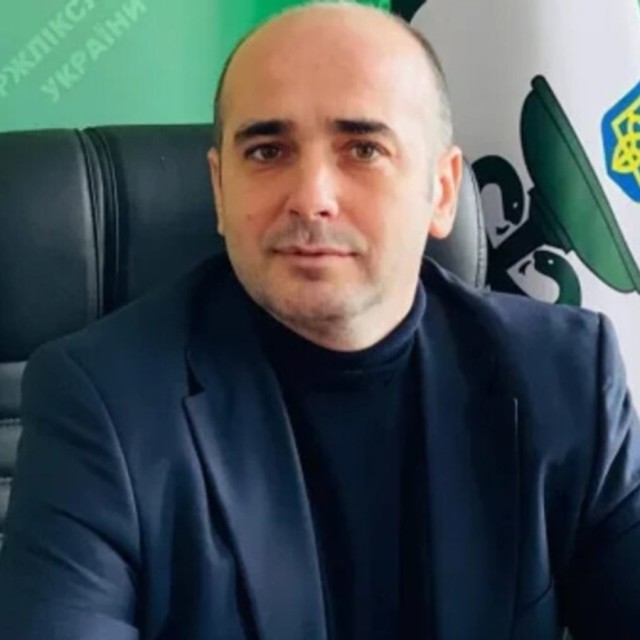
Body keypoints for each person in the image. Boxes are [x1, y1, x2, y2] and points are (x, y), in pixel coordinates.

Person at [1, 2, 639, 639]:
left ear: (443, 191)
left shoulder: (566, 374)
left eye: (363, 148)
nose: (311, 197)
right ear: (220, 190)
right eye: (267, 151)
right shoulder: (101, 400)